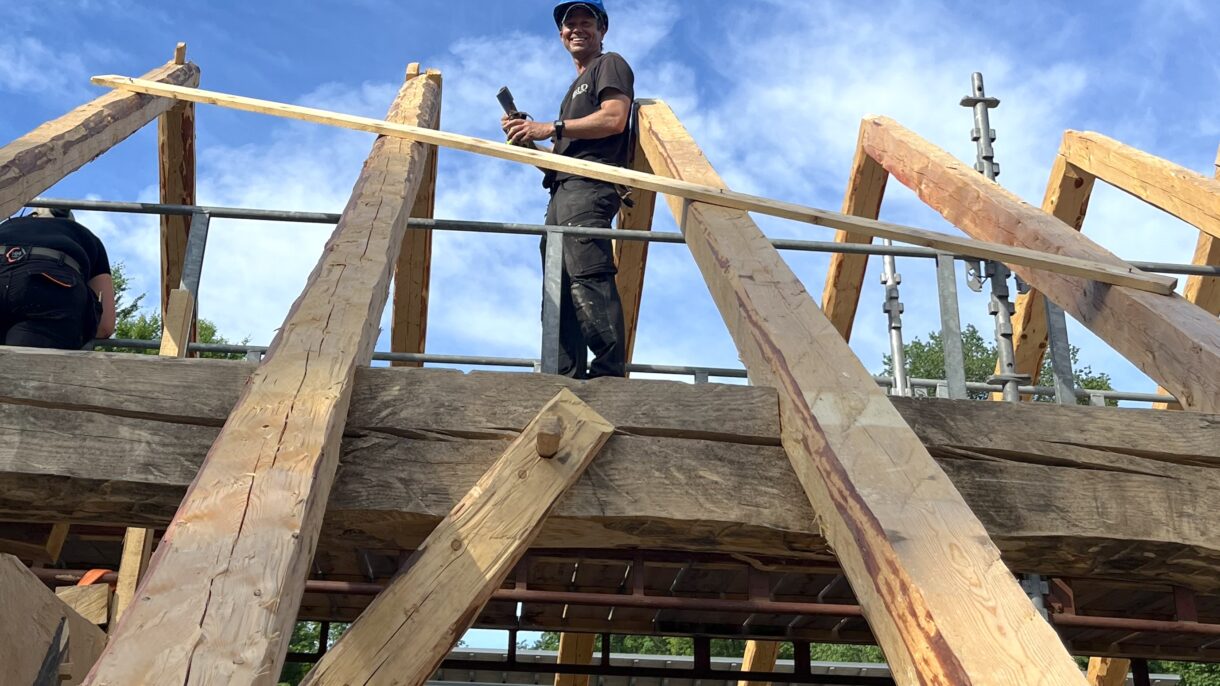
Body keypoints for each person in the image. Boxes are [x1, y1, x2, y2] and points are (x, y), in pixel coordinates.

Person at [502, 0, 634, 379]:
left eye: (585, 22)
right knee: (557, 290)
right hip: (562, 192)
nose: (576, 28)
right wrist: (530, 142)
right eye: (569, 23)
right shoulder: (572, 91)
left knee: (587, 273)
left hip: (590, 187)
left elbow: (614, 118)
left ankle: (608, 375)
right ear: (561, 34)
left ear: (602, 29)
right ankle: (562, 377)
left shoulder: (610, 64)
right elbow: (558, 161)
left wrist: (551, 127)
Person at [0, 207, 115, 348]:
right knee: (28, 359)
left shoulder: (7, 225)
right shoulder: (84, 235)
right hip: (52, 283)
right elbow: (105, 326)